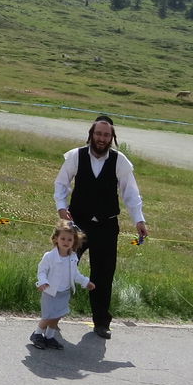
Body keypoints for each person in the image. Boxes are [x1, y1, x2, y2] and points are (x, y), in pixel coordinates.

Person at [53, 114, 148, 339]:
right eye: (98, 134)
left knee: (103, 274)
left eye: (106, 135)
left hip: (107, 226)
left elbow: (131, 193)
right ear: (91, 135)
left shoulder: (120, 161)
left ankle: (101, 322)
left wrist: (139, 220)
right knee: (63, 268)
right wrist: (61, 207)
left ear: (112, 137)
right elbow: (61, 183)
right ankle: (52, 318)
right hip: (78, 225)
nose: (102, 138)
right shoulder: (76, 156)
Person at [31, 220, 94, 350]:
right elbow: (42, 271)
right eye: (63, 238)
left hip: (64, 292)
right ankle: (37, 334)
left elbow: (75, 274)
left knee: (57, 316)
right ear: (56, 239)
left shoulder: (73, 257)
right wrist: (42, 282)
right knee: (48, 316)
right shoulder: (49, 256)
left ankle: (49, 337)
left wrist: (85, 282)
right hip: (50, 291)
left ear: (74, 242)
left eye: (69, 240)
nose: (66, 242)